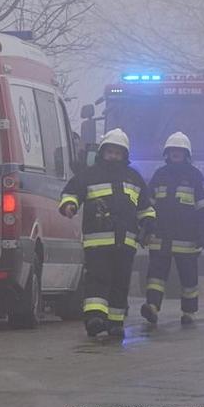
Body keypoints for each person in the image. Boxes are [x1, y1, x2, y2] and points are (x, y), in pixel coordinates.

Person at [59, 129, 156, 339]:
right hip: (97, 242)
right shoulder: (89, 174)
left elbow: (145, 207)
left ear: (124, 155)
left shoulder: (134, 178)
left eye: (117, 153)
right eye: (109, 152)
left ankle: (115, 323)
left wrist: (148, 224)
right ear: (102, 152)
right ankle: (94, 318)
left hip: (126, 243)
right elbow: (72, 192)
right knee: (97, 279)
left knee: (120, 283)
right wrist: (69, 205)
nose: (113, 156)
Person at [141, 132, 204, 327]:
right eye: (172, 151)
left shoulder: (195, 176)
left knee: (188, 277)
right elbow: (149, 204)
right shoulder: (160, 175)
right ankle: (152, 307)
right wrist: (146, 227)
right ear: (167, 153)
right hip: (161, 235)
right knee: (156, 274)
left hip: (187, 237)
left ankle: (189, 311)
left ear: (186, 154)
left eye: (179, 151)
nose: (176, 154)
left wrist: (203, 231)